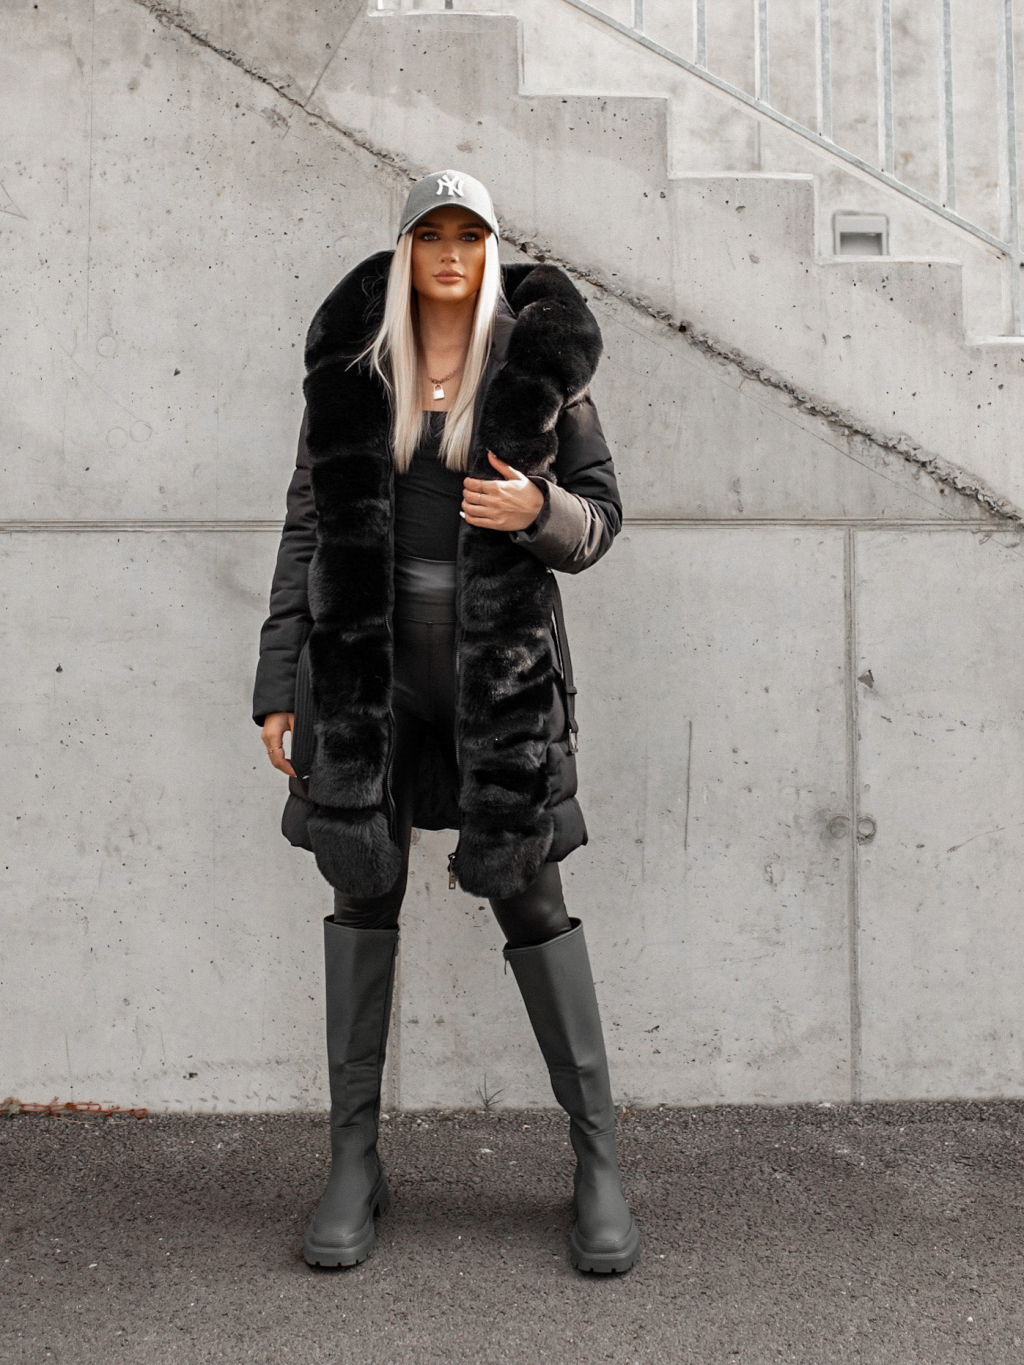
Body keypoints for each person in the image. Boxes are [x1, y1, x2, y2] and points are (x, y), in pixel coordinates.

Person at [252, 169, 639, 1275]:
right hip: (364, 679)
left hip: (497, 682)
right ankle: (353, 1164)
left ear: (492, 250)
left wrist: (538, 508)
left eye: (472, 235)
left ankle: (598, 1164)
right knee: (360, 890)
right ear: (407, 253)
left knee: (533, 897)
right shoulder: (354, 369)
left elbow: (602, 519)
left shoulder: (534, 370)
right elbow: (304, 528)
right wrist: (277, 681)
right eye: (433, 235)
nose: (454, 254)